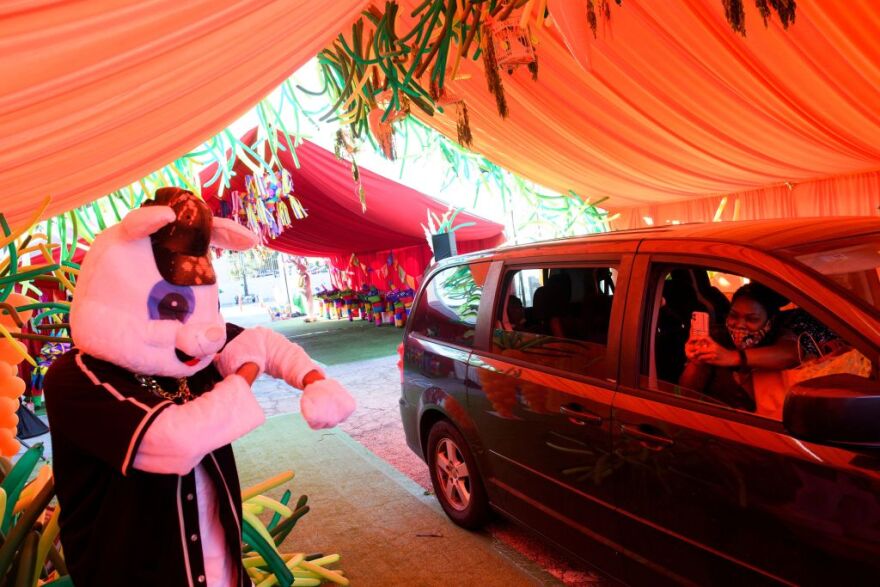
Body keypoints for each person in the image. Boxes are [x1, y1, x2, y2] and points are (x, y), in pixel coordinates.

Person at [44, 189, 356, 587]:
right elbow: (173, 441)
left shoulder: (189, 351)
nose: (205, 335)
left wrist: (313, 380)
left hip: (218, 571)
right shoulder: (78, 377)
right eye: (174, 309)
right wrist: (243, 375)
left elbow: (262, 343)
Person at [679, 282, 799, 413]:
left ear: (769, 322)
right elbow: (685, 395)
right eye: (733, 316)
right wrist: (697, 362)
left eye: (752, 319)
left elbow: (792, 354)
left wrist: (732, 357)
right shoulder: (715, 338)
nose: (740, 325)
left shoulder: (779, 337)